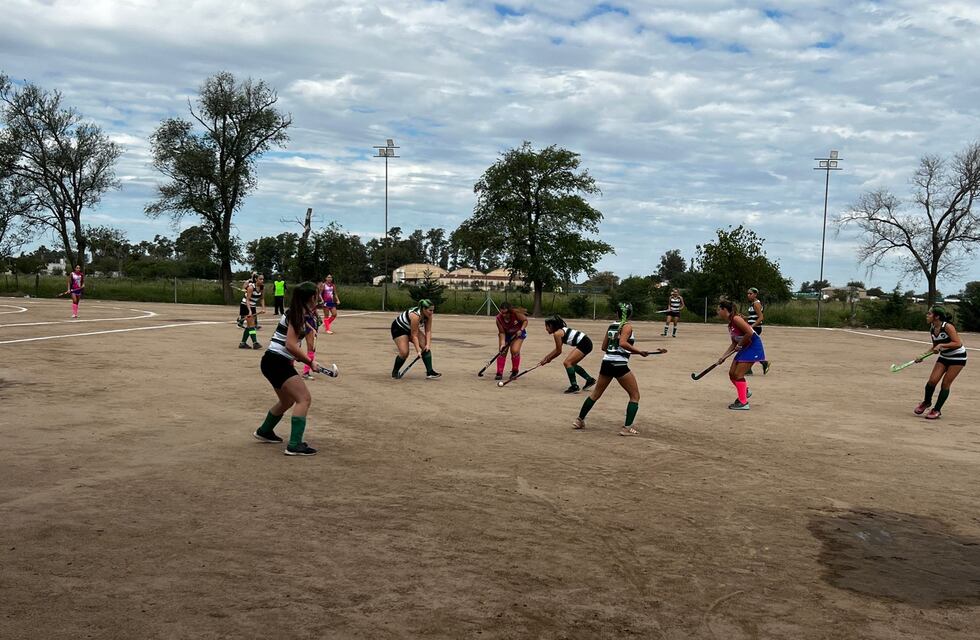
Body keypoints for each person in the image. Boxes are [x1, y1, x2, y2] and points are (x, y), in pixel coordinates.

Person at [253, 282, 324, 456]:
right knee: (304, 399)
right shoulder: (296, 314)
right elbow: (290, 345)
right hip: (277, 362)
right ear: (311, 297)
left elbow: (293, 346)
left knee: (287, 401)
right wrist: (310, 362)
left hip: (272, 361)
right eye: (317, 294)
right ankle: (294, 444)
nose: (319, 297)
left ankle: (264, 431)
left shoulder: (300, 312)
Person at [573, 302, 657, 436]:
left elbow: (604, 347)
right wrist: (639, 351)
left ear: (617, 313)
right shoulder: (627, 326)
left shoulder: (611, 326)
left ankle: (579, 420)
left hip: (606, 363)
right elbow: (623, 343)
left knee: (595, 394)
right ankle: (627, 428)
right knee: (635, 396)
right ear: (630, 314)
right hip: (619, 365)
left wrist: (630, 351)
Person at [914, 307, 967, 420]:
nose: (927, 315)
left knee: (945, 384)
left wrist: (942, 345)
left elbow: (957, 343)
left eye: (929, 314)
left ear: (936, 316)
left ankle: (937, 410)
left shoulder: (947, 326)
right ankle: (927, 402)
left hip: (958, 358)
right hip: (944, 357)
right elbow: (935, 346)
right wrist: (923, 355)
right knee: (932, 381)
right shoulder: (932, 328)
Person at [716, 300, 766, 411]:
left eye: (719, 310)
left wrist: (740, 344)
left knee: (738, 374)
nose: (718, 312)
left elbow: (750, 333)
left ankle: (743, 402)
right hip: (745, 348)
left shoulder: (736, 319)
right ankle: (745, 391)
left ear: (725, 310)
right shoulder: (730, 324)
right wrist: (723, 357)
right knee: (732, 374)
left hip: (753, 347)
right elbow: (734, 343)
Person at [539, 315, 596, 393]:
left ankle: (574, 386)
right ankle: (589, 380)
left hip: (584, 344)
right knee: (572, 364)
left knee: (567, 362)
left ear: (552, 326)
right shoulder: (560, 331)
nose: (546, 329)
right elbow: (557, 349)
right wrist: (546, 358)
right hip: (586, 343)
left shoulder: (557, 334)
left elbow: (558, 351)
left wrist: (549, 359)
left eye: (547, 326)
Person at [390, 299, 441, 379]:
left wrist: (428, 345)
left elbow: (428, 331)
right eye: (430, 310)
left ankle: (430, 372)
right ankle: (395, 372)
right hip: (399, 329)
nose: (432, 313)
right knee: (404, 353)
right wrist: (418, 351)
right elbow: (414, 335)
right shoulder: (415, 316)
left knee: (425, 346)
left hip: (411, 329)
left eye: (433, 310)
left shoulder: (429, 316)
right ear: (423, 309)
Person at [495, 302, 529, 381]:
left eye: (505, 313)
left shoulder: (516, 314)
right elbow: (502, 333)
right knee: (502, 351)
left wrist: (521, 329)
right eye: (502, 313)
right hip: (506, 334)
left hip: (518, 333)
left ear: (510, 311)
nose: (503, 315)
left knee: (515, 350)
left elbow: (525, 321)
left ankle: (515, 371)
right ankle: (499, 373)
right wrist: (502, 344)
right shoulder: (498, 318)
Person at [745, 287, 770, 374]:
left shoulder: (756, 304)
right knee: (750, 347)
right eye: (748, 294)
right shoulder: (753, 304)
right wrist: (745, 317)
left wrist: (751, 326)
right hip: (753, 328)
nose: (748, 295)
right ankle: (762, 363)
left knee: (748, 347)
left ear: (755, 294)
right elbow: (753, 316)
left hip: (755, 329)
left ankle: (750, 368)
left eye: (750, 293)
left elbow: (761, 317)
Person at [238, 274, 266, 350]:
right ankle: (255, 343)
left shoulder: (262, 287)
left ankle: (243, 343)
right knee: (252, 325)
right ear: (256, 279)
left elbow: (262, 298)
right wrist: (249, 311)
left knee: (249, 326)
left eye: (263, 279)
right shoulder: (251, 287)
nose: (262, 280)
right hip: (245, 305)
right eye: (260, 279)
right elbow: (247, 300)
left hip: (253, 306)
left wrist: (263, 308)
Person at [301, 308, 322, 381]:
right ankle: (305, 373)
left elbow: (314, 308)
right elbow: (302, 318)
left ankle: (289, 366)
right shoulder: (304, 305)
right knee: (310, 350)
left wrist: (317, 316)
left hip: (311, 323)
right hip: (307, 324)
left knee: (311, 349)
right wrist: (312, 328)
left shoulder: (312, 303)